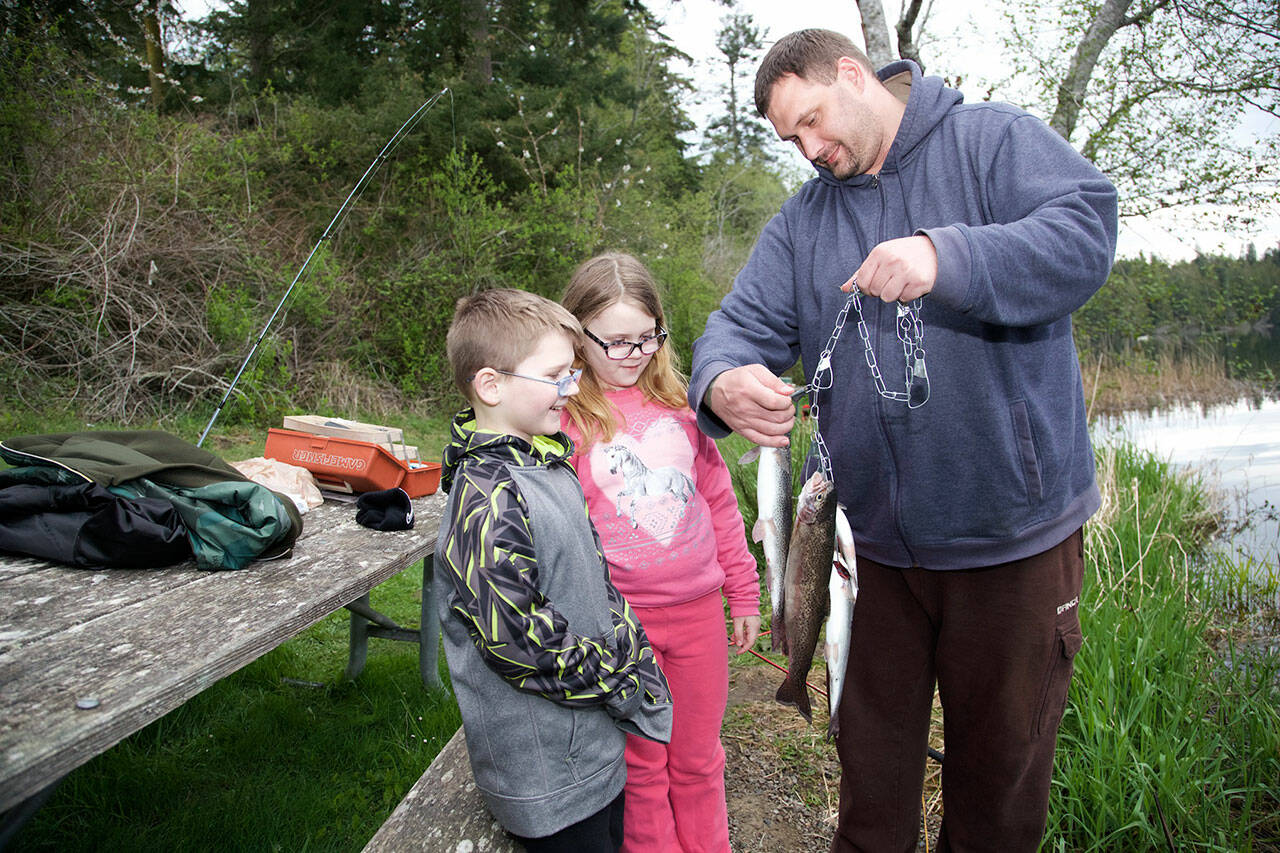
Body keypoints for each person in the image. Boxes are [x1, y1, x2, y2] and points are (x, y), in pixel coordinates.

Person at [687, 29, 1118, 853]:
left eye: (814, 121)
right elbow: (735, 329)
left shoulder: (989, 142)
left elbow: (1086, 231)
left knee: (998, 793)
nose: (811, 150)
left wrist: (944, 255)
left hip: (1011, 546)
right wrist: (722, 381)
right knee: (871, 787)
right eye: (792, 140)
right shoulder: (802, 222)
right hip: (863, 556)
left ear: (854, 74)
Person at [435, 288, 673, 853]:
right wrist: (620, 683)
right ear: (491, 385)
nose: (572, 388)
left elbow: (597, 582)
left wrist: (632, 654)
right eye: (558, 375)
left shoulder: (547, 462)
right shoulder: (486, 498)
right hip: (546, 778)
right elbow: (518, 640)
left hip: (594, 751)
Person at [559, 252, 761, 853]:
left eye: (648, 337)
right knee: (643, 766)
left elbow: (721, 505)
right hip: (622, 624)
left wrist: (743, 591)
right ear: (577, 337)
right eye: (617, 341)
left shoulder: (687, 409)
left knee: (698, 759)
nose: (636, 353)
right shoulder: (565, 422)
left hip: (700, 616)